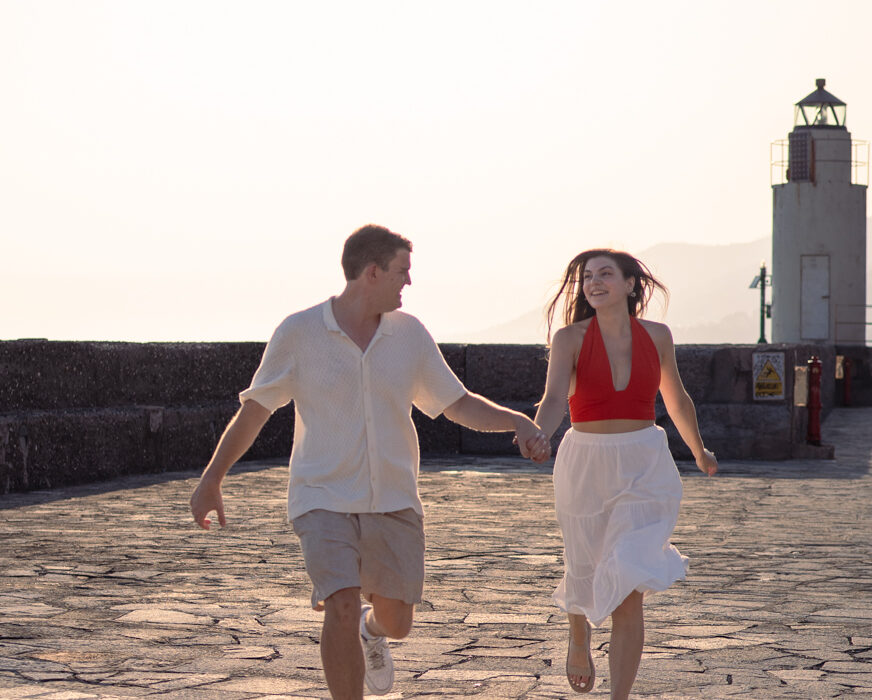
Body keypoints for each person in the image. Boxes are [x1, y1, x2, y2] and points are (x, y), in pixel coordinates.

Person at [189, 224, 550, 699]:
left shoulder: (410, 335)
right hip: (322, 497)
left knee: (398, 621)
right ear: (373, 272)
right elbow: (255, 410)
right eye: (403, 271)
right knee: (338, 603)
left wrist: (516, 422)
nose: (409, 282)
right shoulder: (299, 333)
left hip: (394, 499)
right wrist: (212, 478)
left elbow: (457, 403)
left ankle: (372, 630)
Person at [532, 249, 718, 698]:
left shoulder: (658, 336)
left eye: (605, 274)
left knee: (630, 579)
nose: (594, 283)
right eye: (587, 277)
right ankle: (578, 634)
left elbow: (675, 397)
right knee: (583, 562)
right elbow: (555, 398)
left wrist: (699, 449)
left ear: (631, 284)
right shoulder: (569, 339)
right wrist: (539, 433)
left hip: (643, 461)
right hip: (585, 461)